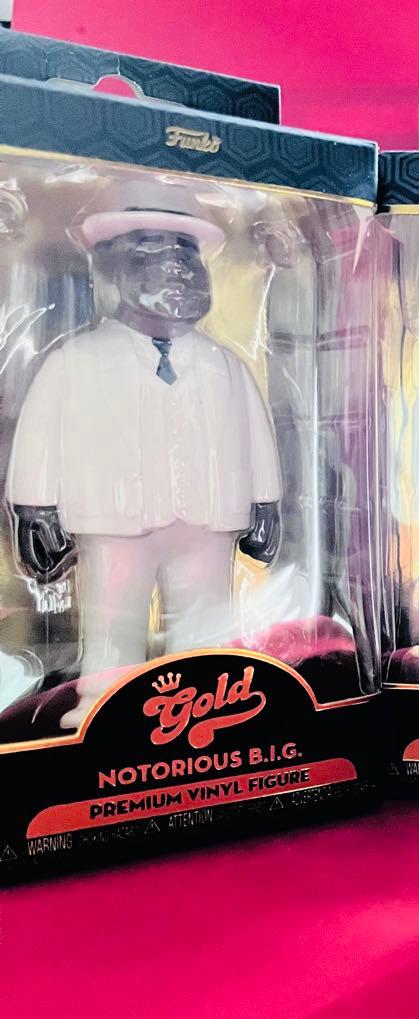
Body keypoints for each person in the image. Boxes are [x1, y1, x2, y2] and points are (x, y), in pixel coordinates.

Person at [6, 178, 282, 728]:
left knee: (205, 619)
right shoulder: (75, 361)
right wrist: (35, 509)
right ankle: (102, 703)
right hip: (113, 519)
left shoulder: (224, 364)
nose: (176, 265)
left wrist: (265, 501)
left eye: (187, 251)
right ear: (111, 267)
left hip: (208, 516)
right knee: (114, 620)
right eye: (151, 247)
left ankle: (205, 699)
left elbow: (253, 432)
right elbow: (39, 435)